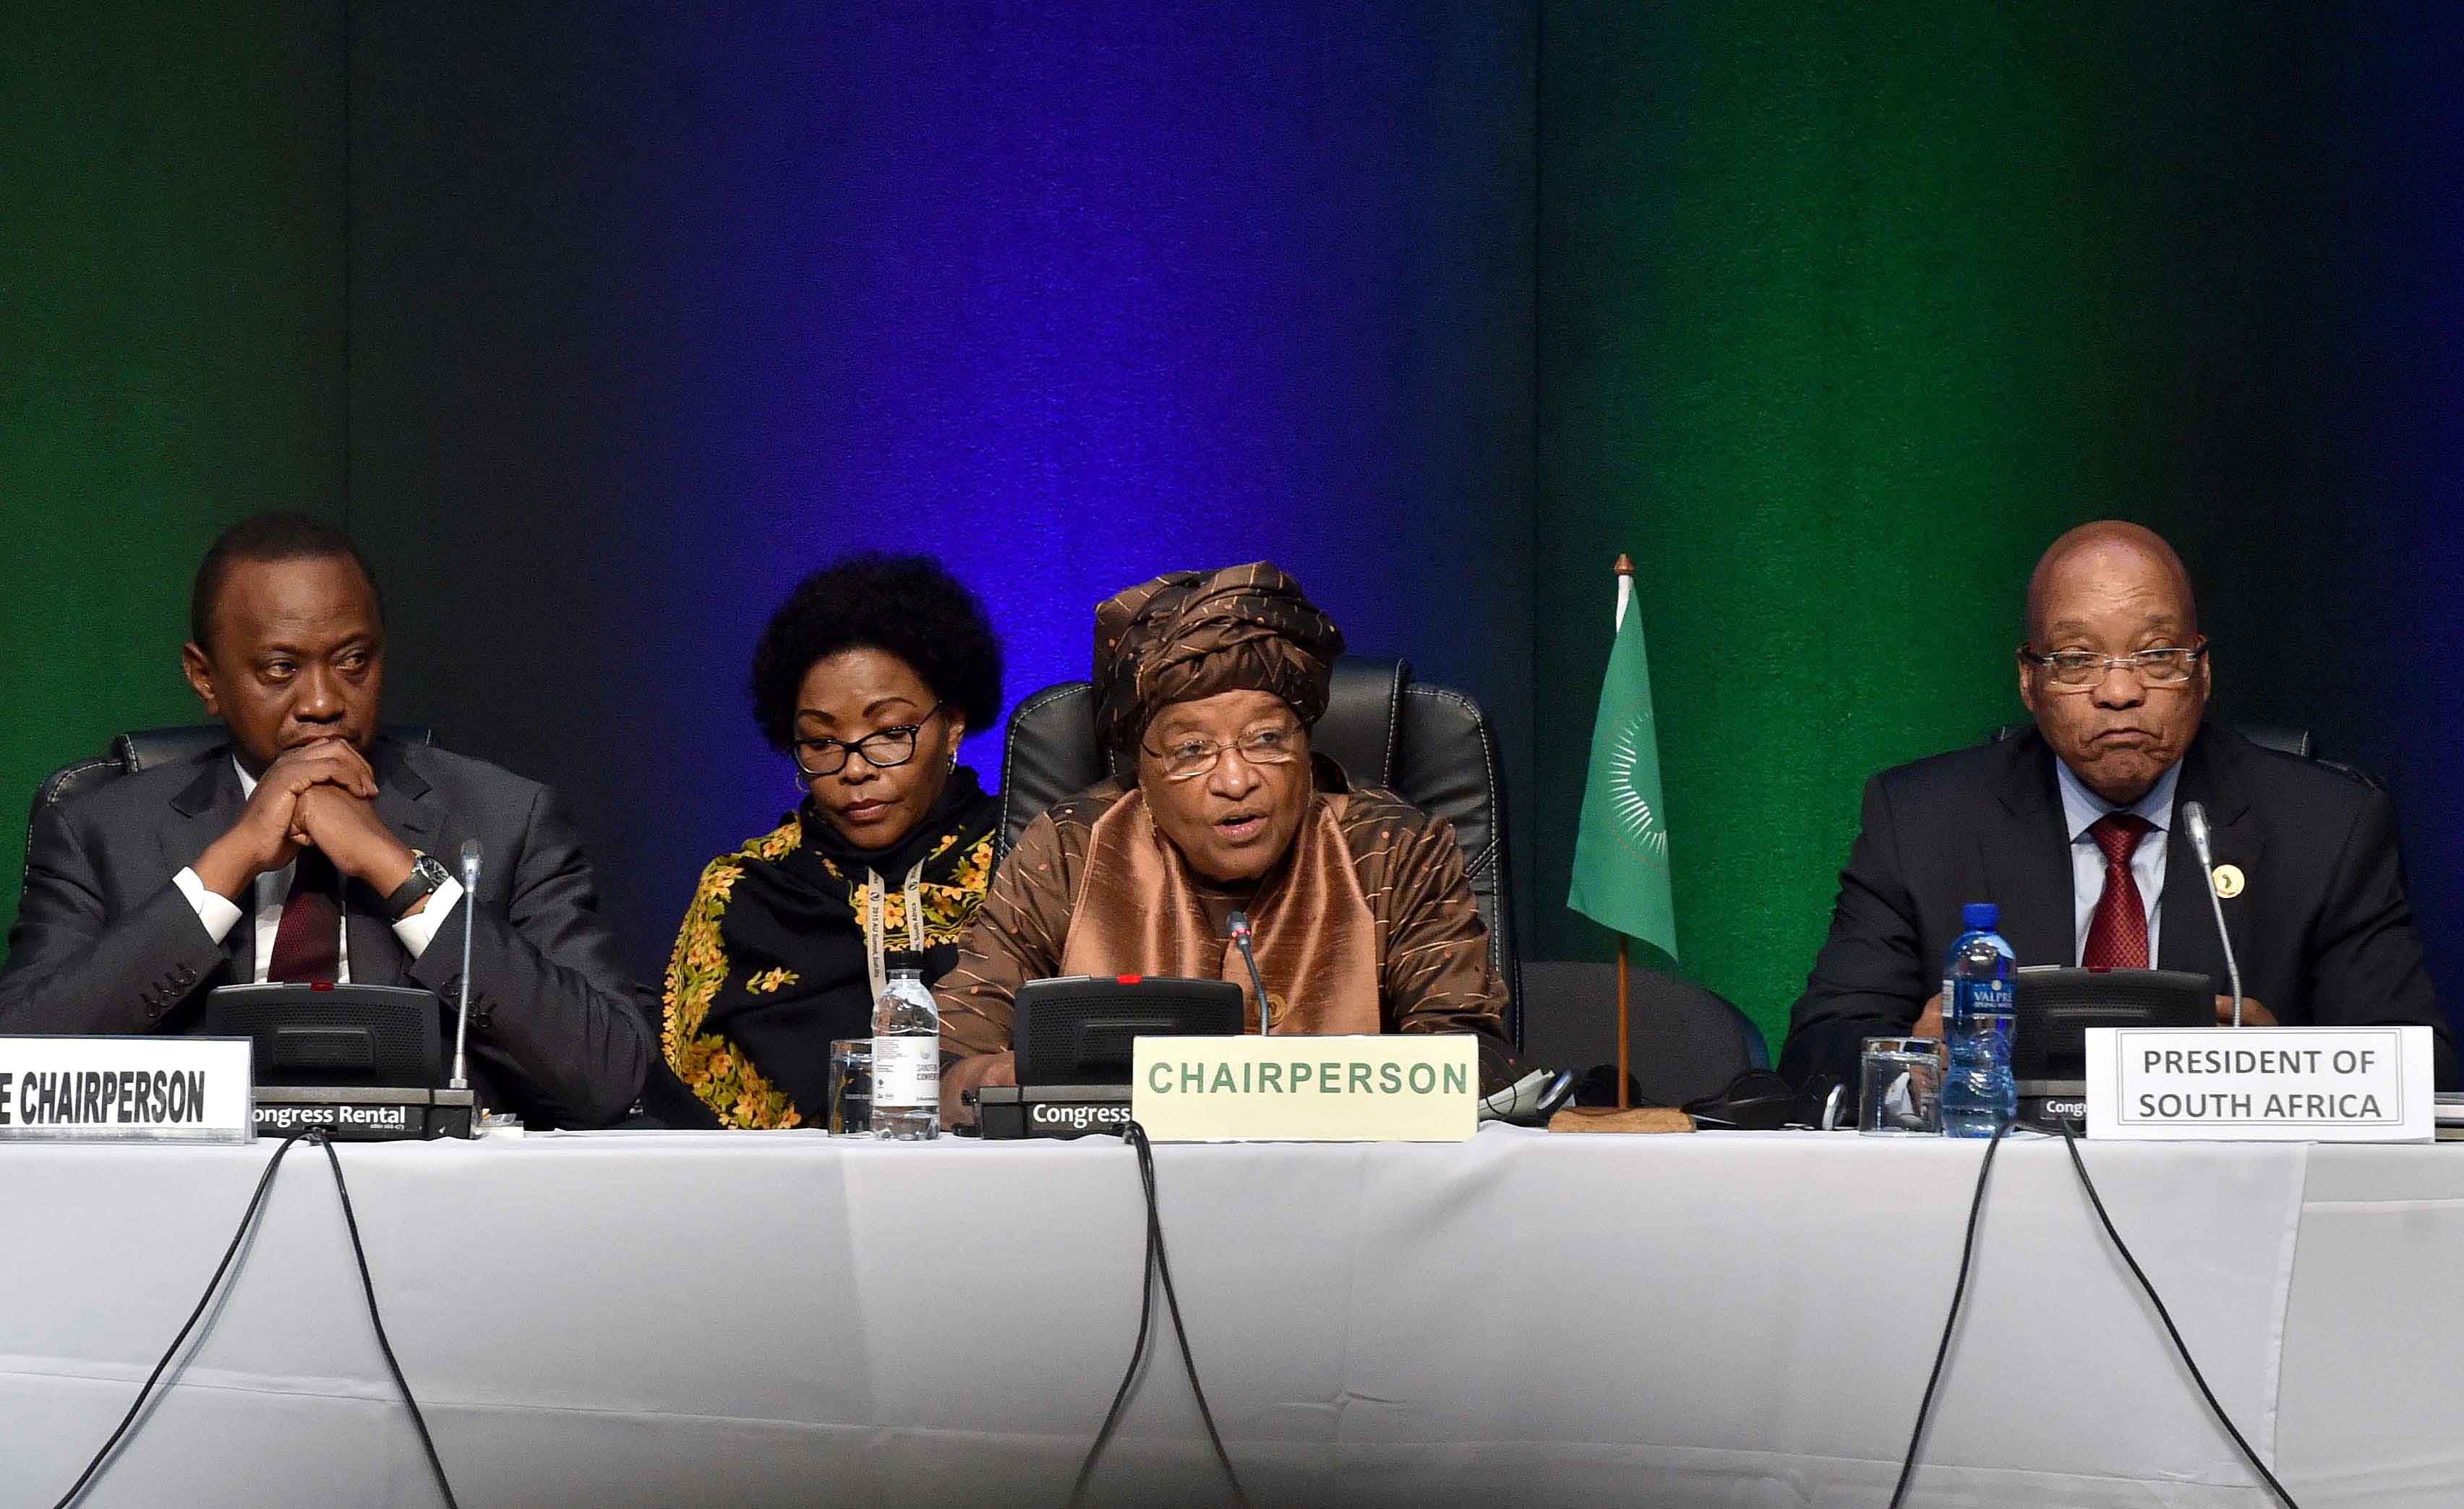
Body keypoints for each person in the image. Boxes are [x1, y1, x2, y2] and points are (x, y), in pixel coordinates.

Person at [0, 513, 650, 1127]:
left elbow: (613, 1073)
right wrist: (231, 860)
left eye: (353, 662)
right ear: (205, 678)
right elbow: (15, 1067)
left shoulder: (507, 818)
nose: (321, 702)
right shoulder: (99, 831)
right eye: (281, 669)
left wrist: (397, 870)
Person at [1780, 520, 2458, 1093]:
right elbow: (1819, 1053)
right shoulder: (1922, 821)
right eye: (2077, 659)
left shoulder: (2328, 828)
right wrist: (1918, 1060)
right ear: (2029, 679)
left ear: (2202, 671)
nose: (2120, 691)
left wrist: (2286, 1070)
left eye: (2157, 655)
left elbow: (2424, 1074)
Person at [934, 561, 1512, 1124]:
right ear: (1143, 769)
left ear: (1305, 744)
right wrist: (993, 1080)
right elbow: (947, 1050)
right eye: (1192, 751)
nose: (1235, 780)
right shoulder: (1070, 848)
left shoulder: (1392, 849)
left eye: (1266, 739)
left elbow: (1475, 1060)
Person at [656, 554, 1003, 1129]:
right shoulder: (745, 892)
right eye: (821, 741)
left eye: (891, 732)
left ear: (955, 723)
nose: (855, 768)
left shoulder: (1030, 865)